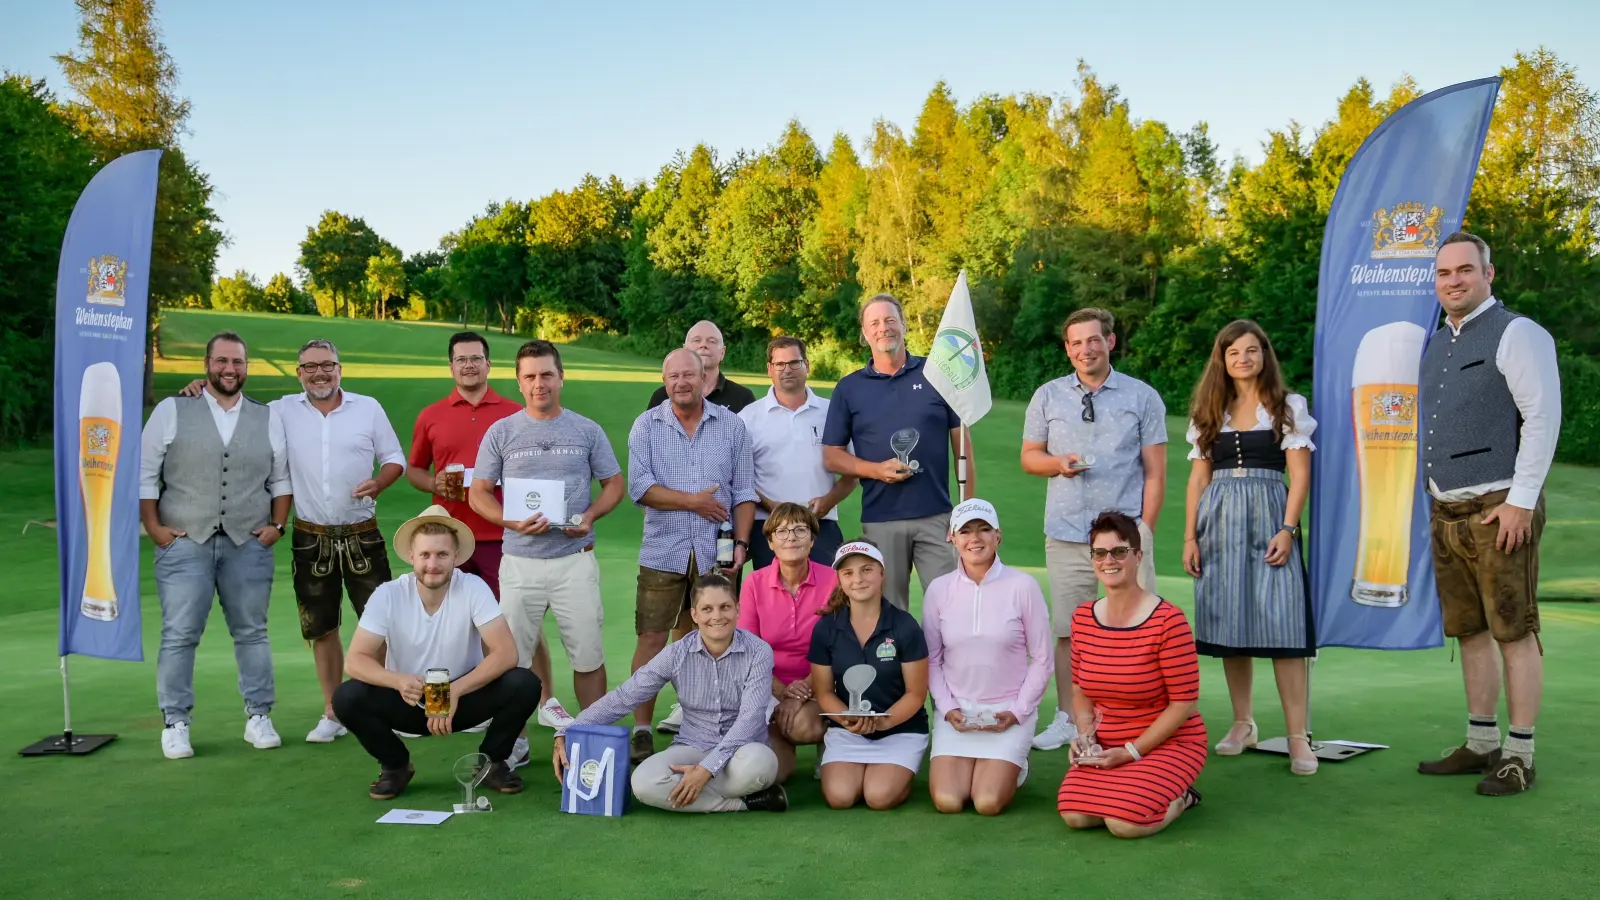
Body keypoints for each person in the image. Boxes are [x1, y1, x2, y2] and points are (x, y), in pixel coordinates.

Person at [182, 339, 408, 743]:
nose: (319, 373)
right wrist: (204, 389)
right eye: (310, 367)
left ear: (341, 368)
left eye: (328, 365)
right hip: (310, 536)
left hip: (362, 534)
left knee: (381, 624)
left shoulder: (367, 408)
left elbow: (395, 459)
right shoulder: (280, 410)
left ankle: (385, 706)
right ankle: (333, 711)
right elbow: (233, 408)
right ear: (298, 372)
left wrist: (380, 481)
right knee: (321, 628)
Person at [1417, 231, 1560, 796]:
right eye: (1444, 273)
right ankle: (1481, 743)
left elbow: (1542, 418)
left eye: (1465, 271)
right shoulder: (1434, 343)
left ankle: (1519, 755)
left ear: (1488, 274)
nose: (1454, 281)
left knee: (1513, 631)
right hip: (1445, 511)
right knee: (1470, 631)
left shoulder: (1518, 333)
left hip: (1500, 509)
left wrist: (1521, 501)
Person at [470, 340, 624, 767]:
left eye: (547, 374)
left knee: (588, 655)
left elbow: (614, 483)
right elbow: (479, 492)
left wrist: (591, 514)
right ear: (519, 382)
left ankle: (593, 736)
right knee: (512, 659)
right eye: (531, 376)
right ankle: (514, 741)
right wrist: (509, 521)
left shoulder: (586, 430)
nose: (540, 383)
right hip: (520, 562)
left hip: (574, 558)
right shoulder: (501, 432)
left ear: (561, 376)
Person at [1021, 307, 1167, 751]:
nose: (1085, 349)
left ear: (1111, 342)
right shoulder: (1047, 396)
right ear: (1067, 349)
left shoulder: (1143, 397)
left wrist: (1143, 533)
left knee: (1143, 627)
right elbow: (1030, 457)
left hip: (1125, 538)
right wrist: (1055, 464)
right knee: (1068, 630)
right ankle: (1069, 717)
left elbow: (1156, 473)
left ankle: (1148, 717)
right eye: (1076, 342)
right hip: (1066, 533)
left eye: (1093, 340)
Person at [407, 331, 568, 732]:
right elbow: (414, 470)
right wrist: (433, 485)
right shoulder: (431, 415)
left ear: (488, 364)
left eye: (476, 358)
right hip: (449, 537)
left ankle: (547, 698)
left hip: (505, 535)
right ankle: (471, 700)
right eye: (460, 359)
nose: (468, 365)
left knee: (517, 621)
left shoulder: (515, 411)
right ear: (451, 366)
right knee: (452, 621)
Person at [140, 332, 292, 759]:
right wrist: (154, 527)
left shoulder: (268, 416)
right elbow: (145, 473)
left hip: (249, 541)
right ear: (207, 364)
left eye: (238, 362)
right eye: (222, 361)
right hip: (185, 539)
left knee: (252, 632)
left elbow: (280, 479)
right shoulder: (173, 409)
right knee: (179, 634)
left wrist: (277, 526)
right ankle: (175, 722)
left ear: (247, 367)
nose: (230, 369)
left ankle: (259, 716)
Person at [1180, 320, 1319, 775]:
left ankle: (1298, 736)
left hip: (1268, 514)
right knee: (1229, 624)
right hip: (1218, 521)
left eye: (1252, 350)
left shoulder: (1286, 405)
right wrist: (1190, 536)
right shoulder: (1210, 408)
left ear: (1265, 355)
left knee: (1284, 627)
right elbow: (1198, 478)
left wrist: (1288, 528)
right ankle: (1243, 723)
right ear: (1222, 358)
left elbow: (1298, 475)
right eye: (1234, 351)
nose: (1243, 358)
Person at [331, 506, 541, 800]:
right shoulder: (388, 594)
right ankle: (395, 766)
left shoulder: (473, 587)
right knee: (346, 697)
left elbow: (506, 653)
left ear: (456, 557)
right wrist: (397, 681)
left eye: (442, 555)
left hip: (463, 697)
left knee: (525, 683)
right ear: (411, 557)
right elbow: (355, 660)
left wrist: (454, 691)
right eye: (425, 555)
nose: (433, 564)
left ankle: (492, 763)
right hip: (409, 697)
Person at [554, 574, 789, 813]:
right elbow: (626, 696)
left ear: (737, 609)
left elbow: (750, 719)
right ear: (695, 615)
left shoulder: (758, 651)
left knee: (762, 763)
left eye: (725, 607)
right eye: (707, 609)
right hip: (691, 746)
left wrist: (706, 769)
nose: (717, 616)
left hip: (742, 751)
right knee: (643, 783)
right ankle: (742, 803)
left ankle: (694, 791)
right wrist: (569, 729)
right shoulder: (676, 654)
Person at [626, 348, 757, 763]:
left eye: (689, 375)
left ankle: (697, 725)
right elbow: (640, 488)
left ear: (705, 378)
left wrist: (741, 544)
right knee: (651, 639)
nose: (681, 383)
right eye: (673, 377)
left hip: (716, 553)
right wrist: (692, 503)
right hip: (663, 550)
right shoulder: (647, 425)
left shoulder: (732, 426)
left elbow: (745, 492)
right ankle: (642, 729)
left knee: (703, 641)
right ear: (664, 381)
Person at [822, 294, 975, 611]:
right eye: (874, 323)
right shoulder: (849, 388)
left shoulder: (937, 375)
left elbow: (964, 452)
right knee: (889, 613)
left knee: (951, 608)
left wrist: (964, 513)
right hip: (881, 520)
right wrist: (876, 470)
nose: (883, 328)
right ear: (865, 334)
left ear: (904, 325)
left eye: (890, 320)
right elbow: (832, 456)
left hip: (937, 517)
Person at [1058, 511, 1206, 839]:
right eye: (1099, 552)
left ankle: (1183, 797)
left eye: (1119, 551)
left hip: (1169, 741)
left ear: (1137, 556)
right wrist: (1086, 738)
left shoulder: (1169, 621)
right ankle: (1129, 787)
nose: (1108, 560)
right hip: (1109, 738)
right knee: (1074, 814)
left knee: (1125, 823)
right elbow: (1081, 688)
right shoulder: (1083, 617)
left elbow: (1184, 703)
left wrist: (1132, 752)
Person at [924, 500, 1051, 815]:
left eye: (983, 529)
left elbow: (1042, 659)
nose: (974, 538)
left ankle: (1014, 765)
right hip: (958, 711)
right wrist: (948, 707)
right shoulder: (938, 590)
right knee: (948, 801)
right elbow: (931, 660)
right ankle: (977, 765)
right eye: (965, 531)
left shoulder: (1023, 586)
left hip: (1007, 711)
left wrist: (1019, 712)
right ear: (951, 538)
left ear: (998, 536)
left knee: (987, 802)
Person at [810, 540, 930, 811]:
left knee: (878, 797)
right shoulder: (826, 628)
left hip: (900, 729)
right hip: (848, 731)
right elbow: (824, 692)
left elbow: (916, 694)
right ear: (839, 579)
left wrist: (883, 724)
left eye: (866, 570)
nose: (858, 579)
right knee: (840, 798)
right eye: (848, 573)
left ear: (882, 573)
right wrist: (848, 719)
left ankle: (899, 773)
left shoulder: (904, 625)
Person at [737, 502, 836, 782]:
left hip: (820, 682)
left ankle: (828, 740)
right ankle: (775, 732)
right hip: (768, 684)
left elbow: (838, 648)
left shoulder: (833, 580)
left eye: (800, 530)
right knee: (775, 775)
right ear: (769, 542)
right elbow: (750, 650)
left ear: (813, 539)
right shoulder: (754, 583)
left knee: (805, 727)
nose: (791, 537)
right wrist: (782, 693)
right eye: (781, 531)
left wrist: (802, 691)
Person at [739, 336, 857, 568]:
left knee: (826, 600)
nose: (787, 370)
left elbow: (853, 472)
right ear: (769, 369)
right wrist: (774, 507)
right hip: (770, 526)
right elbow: (740, 478)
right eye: (780, 364)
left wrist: (828, 501)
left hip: (822, 525)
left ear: (807, 365)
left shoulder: (831, 411)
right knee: (774, 600)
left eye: (794, 363)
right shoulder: (747, 418)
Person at [644, 319, 757, 413]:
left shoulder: (743, 398)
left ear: (722, 352)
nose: (703, 345)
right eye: (697, 340)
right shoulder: (662, 397)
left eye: (712, 341)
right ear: (685, 349)